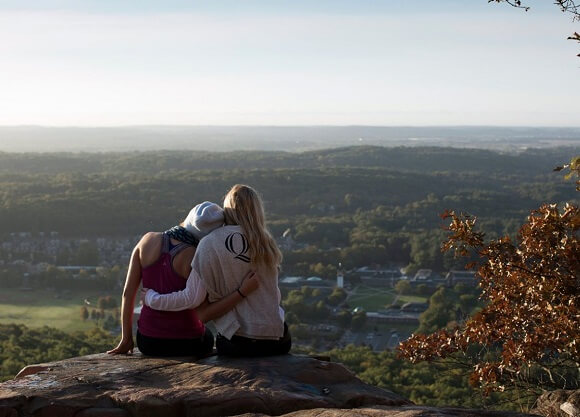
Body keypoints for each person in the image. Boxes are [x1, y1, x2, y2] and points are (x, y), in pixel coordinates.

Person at [143, 184, 291, 356]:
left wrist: (151, 298)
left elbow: (202, 314)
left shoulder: (209, 243)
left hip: (239, 343)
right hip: (278, 340)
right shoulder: (266, 242)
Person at [107, 201, 258, 357]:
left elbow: (128, 293)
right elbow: (195, 302)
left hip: (148, 341)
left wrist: (126, 338)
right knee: (209, 337)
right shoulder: (198, 256)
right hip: (189, 342)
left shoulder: (147, 240)